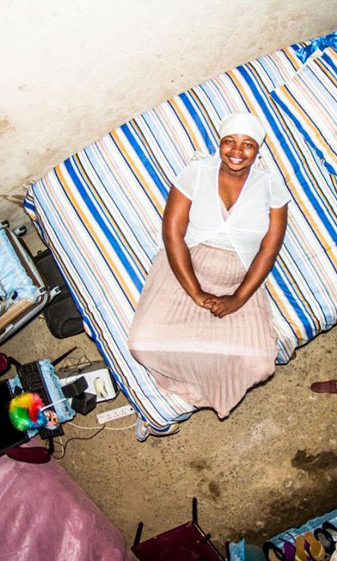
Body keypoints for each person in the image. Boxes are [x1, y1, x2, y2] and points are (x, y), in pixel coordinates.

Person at [128, 112, 291, 421]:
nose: (237, 151)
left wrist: (237, 299)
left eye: (248, 144)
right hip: (186, 266)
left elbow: (269, 250)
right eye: (229, 141)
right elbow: (172, 235)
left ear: (258, 150)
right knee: (141, 344)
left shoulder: (271, 186)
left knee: (260, 363)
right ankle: (195, 389)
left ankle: (211, 388)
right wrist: (196, 293)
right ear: (219, 143)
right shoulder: (197, 173)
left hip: (239, 276)